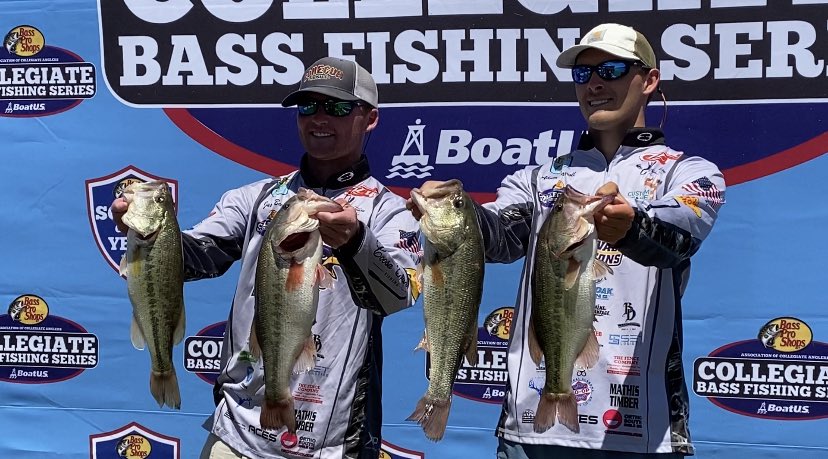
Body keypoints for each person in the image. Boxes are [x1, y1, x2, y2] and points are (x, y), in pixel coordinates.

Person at [410, 23, 725, 458]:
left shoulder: (689, 173)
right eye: (583, 75)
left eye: (611, 70)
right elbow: (500, 236)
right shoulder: (538, 178)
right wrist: (450, 210)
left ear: (649, 80)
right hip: (530, 427)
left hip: (642, 429)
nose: (595, 84)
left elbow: (679, 239)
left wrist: (631, 228)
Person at [113, 56, 421, 459]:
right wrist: (150, 232)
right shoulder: (255, 198)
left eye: (338, 107)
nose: (319, 118)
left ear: (371, 118)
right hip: (240, 429)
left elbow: (397, 296)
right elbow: (196, 258)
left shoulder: (389, 211)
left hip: (334, 439)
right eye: (308, 106)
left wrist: (354, 241)